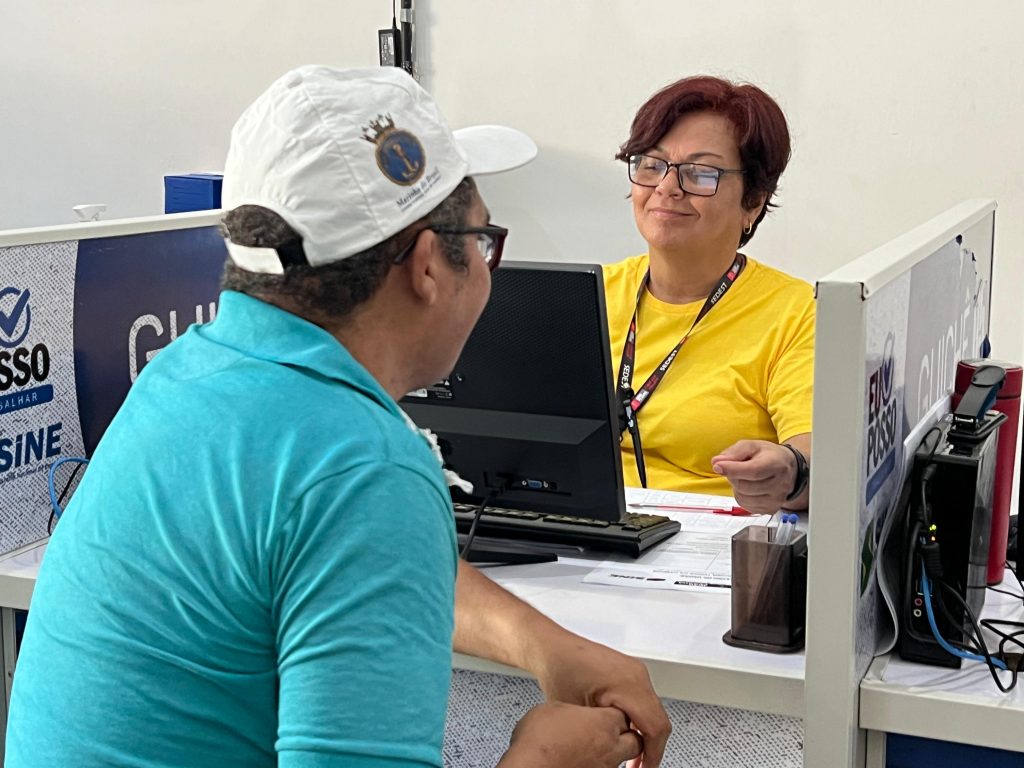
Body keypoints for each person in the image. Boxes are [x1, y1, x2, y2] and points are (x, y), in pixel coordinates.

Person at [6, 66, 670, 768]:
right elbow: (349, 522)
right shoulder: (363, 467)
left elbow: (319, 560)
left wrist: (542, 643)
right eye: (481, 242)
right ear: (425, 267)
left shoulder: (185, 374)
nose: (485, 270)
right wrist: (543, 760)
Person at [603, 75, 814, 515]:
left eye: (702, 173)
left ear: (753, 202)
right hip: (575, 544)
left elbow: (819, 460)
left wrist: (791, 473)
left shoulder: (797, 313)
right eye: (651, 164)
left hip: (710, 553)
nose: (667, 187)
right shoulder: (591, 294)